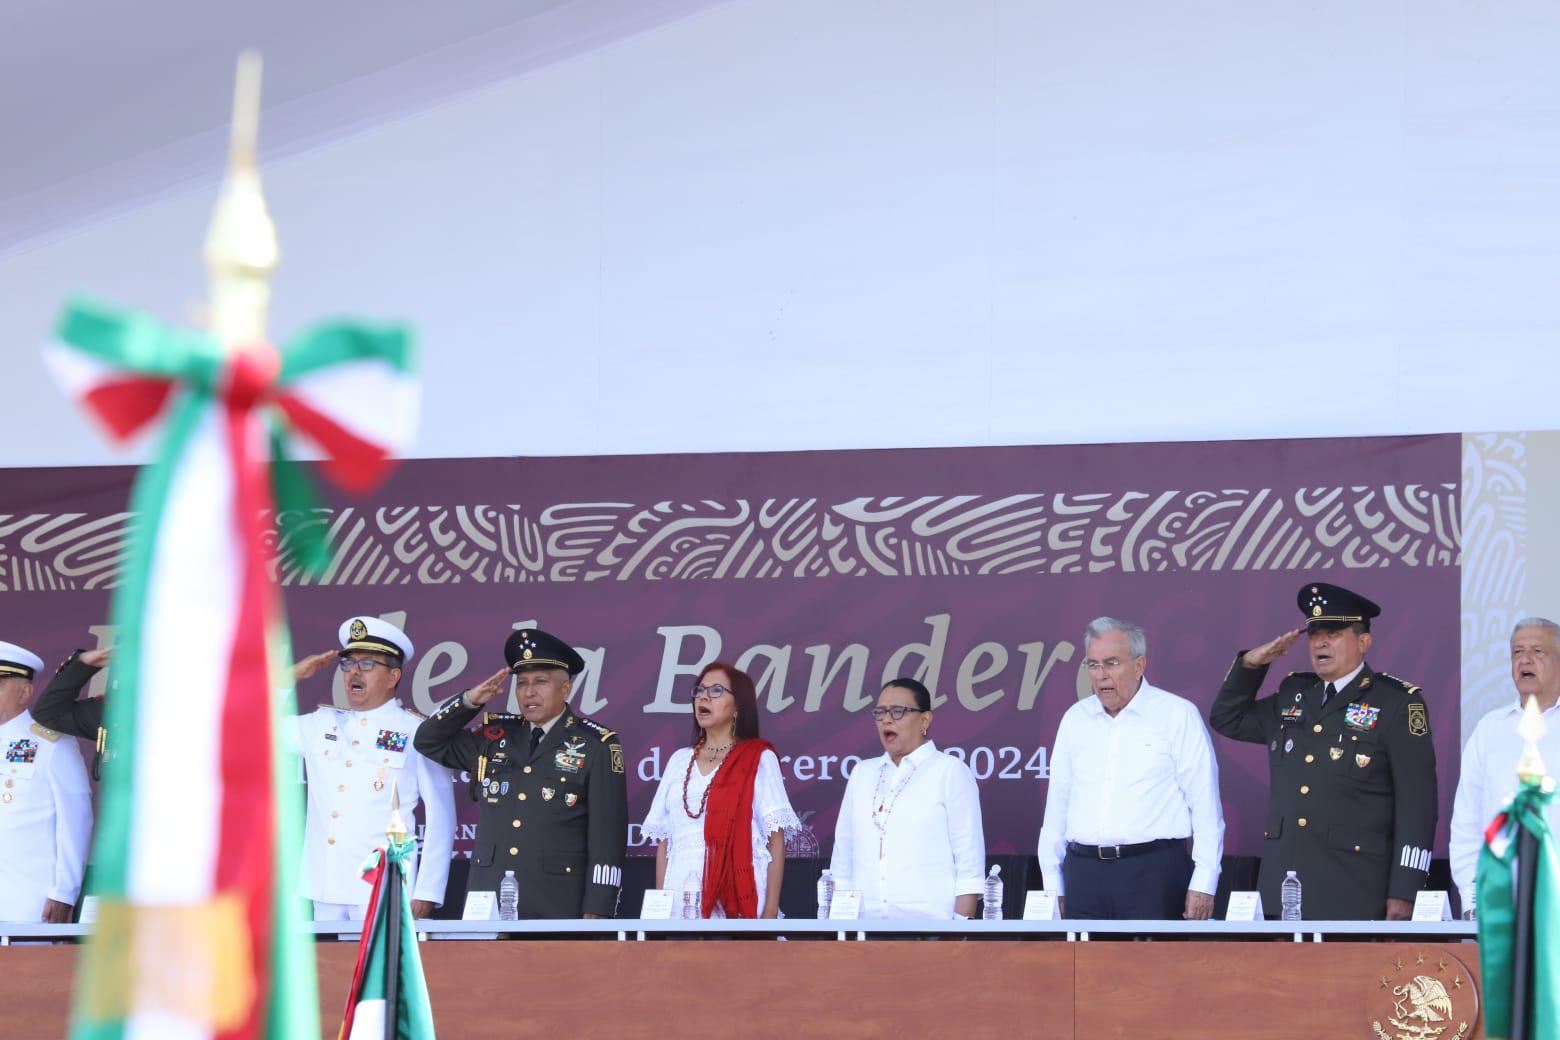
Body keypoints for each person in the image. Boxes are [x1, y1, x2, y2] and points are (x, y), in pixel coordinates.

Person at [1210, 582, 1437, 920]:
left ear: (1364, 642)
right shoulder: (1295, 693)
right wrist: (1252, 664)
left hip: (1354, 890)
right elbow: (1227, 719)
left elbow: (1418, 806)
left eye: (1333, 633)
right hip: (1282, 891)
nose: (1320, 643)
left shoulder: (1396, 702)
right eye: (1314, 634)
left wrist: (1405, 891)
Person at [414, 627, 628, 918]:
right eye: (522, 683)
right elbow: (427, 740)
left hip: (556, 905)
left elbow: (608, 838)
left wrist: (598, 909)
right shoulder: (493, 737)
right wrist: (469, 701)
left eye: (540, 682)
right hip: (487, 903)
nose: (529, 692)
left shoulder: (596, 745)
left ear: (566, 689)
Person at [1038, 618, 1224, 920]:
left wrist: (1204, 883)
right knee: (1081, 968)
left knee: (1152, 968)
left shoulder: (1177, 714)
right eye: (1093, 665)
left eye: (1112, 663)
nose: (1101, 676)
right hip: (1083, 873)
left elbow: (1206, 809)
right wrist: (1052, 884)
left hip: (1153, 873)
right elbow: (1057, 807)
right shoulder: (1075, 719)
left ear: (1139, 666)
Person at [291, 617, 455, 922]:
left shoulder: (418, 731)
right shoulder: (320, 725)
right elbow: (251, 728)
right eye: (348, 664)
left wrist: (427, 891)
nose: (354, 672)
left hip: (384, 886)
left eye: (367, 664)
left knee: (381, 970)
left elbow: (441, 815)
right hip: (325, 883)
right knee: (329, 970)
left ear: (393, 676)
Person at [641, 662, 800, 918]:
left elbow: (775, 842)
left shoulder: (759, 758)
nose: (703, 697)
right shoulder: (679, 760)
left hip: (739, 900)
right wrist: (662, 908)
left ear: (738, 706)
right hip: (680, 896)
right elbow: (664, 842)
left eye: (716, 691)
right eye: (699, 690)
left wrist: (769, 917)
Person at [829, 677, 985, 918]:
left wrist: (958, 932)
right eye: (880, 712)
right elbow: (843, 858)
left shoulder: (949, 771)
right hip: (864, 927)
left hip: (931, 928)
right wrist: (840, 925)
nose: (886, 720)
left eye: (898, 711)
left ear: (924, 719)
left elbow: (969, 860)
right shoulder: (862, 773)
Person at [1449, 617, 1560, 918]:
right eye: (1517, 652)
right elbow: (1467, 824)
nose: (1525, 660)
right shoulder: (1489, 729)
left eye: (1538, 651)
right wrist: (1472, 900)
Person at [0, 640, 92, 923]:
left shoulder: (51, 743)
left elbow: (75, 821)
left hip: (25, 899)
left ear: (25, 692)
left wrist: (64, 892)